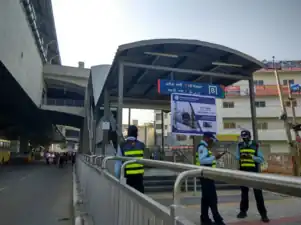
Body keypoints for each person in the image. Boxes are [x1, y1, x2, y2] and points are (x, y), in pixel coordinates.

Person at [235, 130, 269, 223]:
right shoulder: (239, 145)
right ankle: (243, 211)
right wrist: (242, 155)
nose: (244, 139)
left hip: (254, 171)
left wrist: (252, 157)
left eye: (246, 137)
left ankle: (263, 214)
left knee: (258, 193)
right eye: (243, 137)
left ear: (250, 137)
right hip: (243, 170)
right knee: (244, 193)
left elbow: (261, 159)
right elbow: (237, 157)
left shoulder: (256, 145)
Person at [196, 132, 226, 225]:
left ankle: (205, 219)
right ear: (207, 138)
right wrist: (214, 157)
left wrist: (216, 157)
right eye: (212, 140)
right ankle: (218, 220)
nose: (212, 142)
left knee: (205, 199)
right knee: (212, 198)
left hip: (207, 175)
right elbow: (202, 160)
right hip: (205, 176)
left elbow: (205, 159)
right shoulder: (202, 147)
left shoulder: (205, 147)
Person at [114, 125, 145, 193]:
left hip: (127, 179)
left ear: (128, 133)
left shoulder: (122, 145)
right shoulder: (142, 145)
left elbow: (118, 166)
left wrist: (117, 178)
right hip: (139, 179)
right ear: (136, 133)